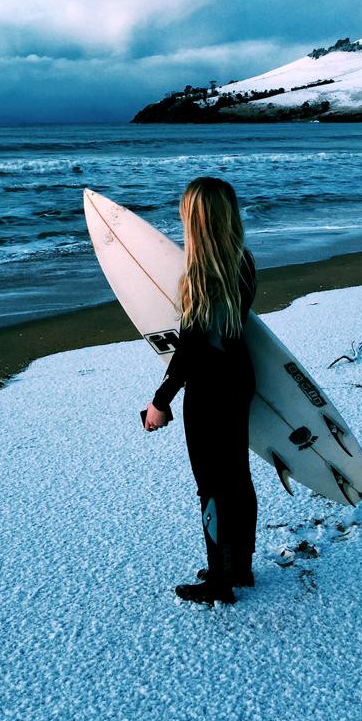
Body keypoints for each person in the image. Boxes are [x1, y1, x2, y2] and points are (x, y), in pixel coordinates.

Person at [143, 176, 258, 607]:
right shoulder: (242, 261)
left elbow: (190, 347)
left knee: (211, 485)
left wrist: (160, 400)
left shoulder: (200, 275)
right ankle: (239, 567)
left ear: (195, 218)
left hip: (210, 390)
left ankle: (217, 581)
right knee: (237, 478)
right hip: (240, 380)